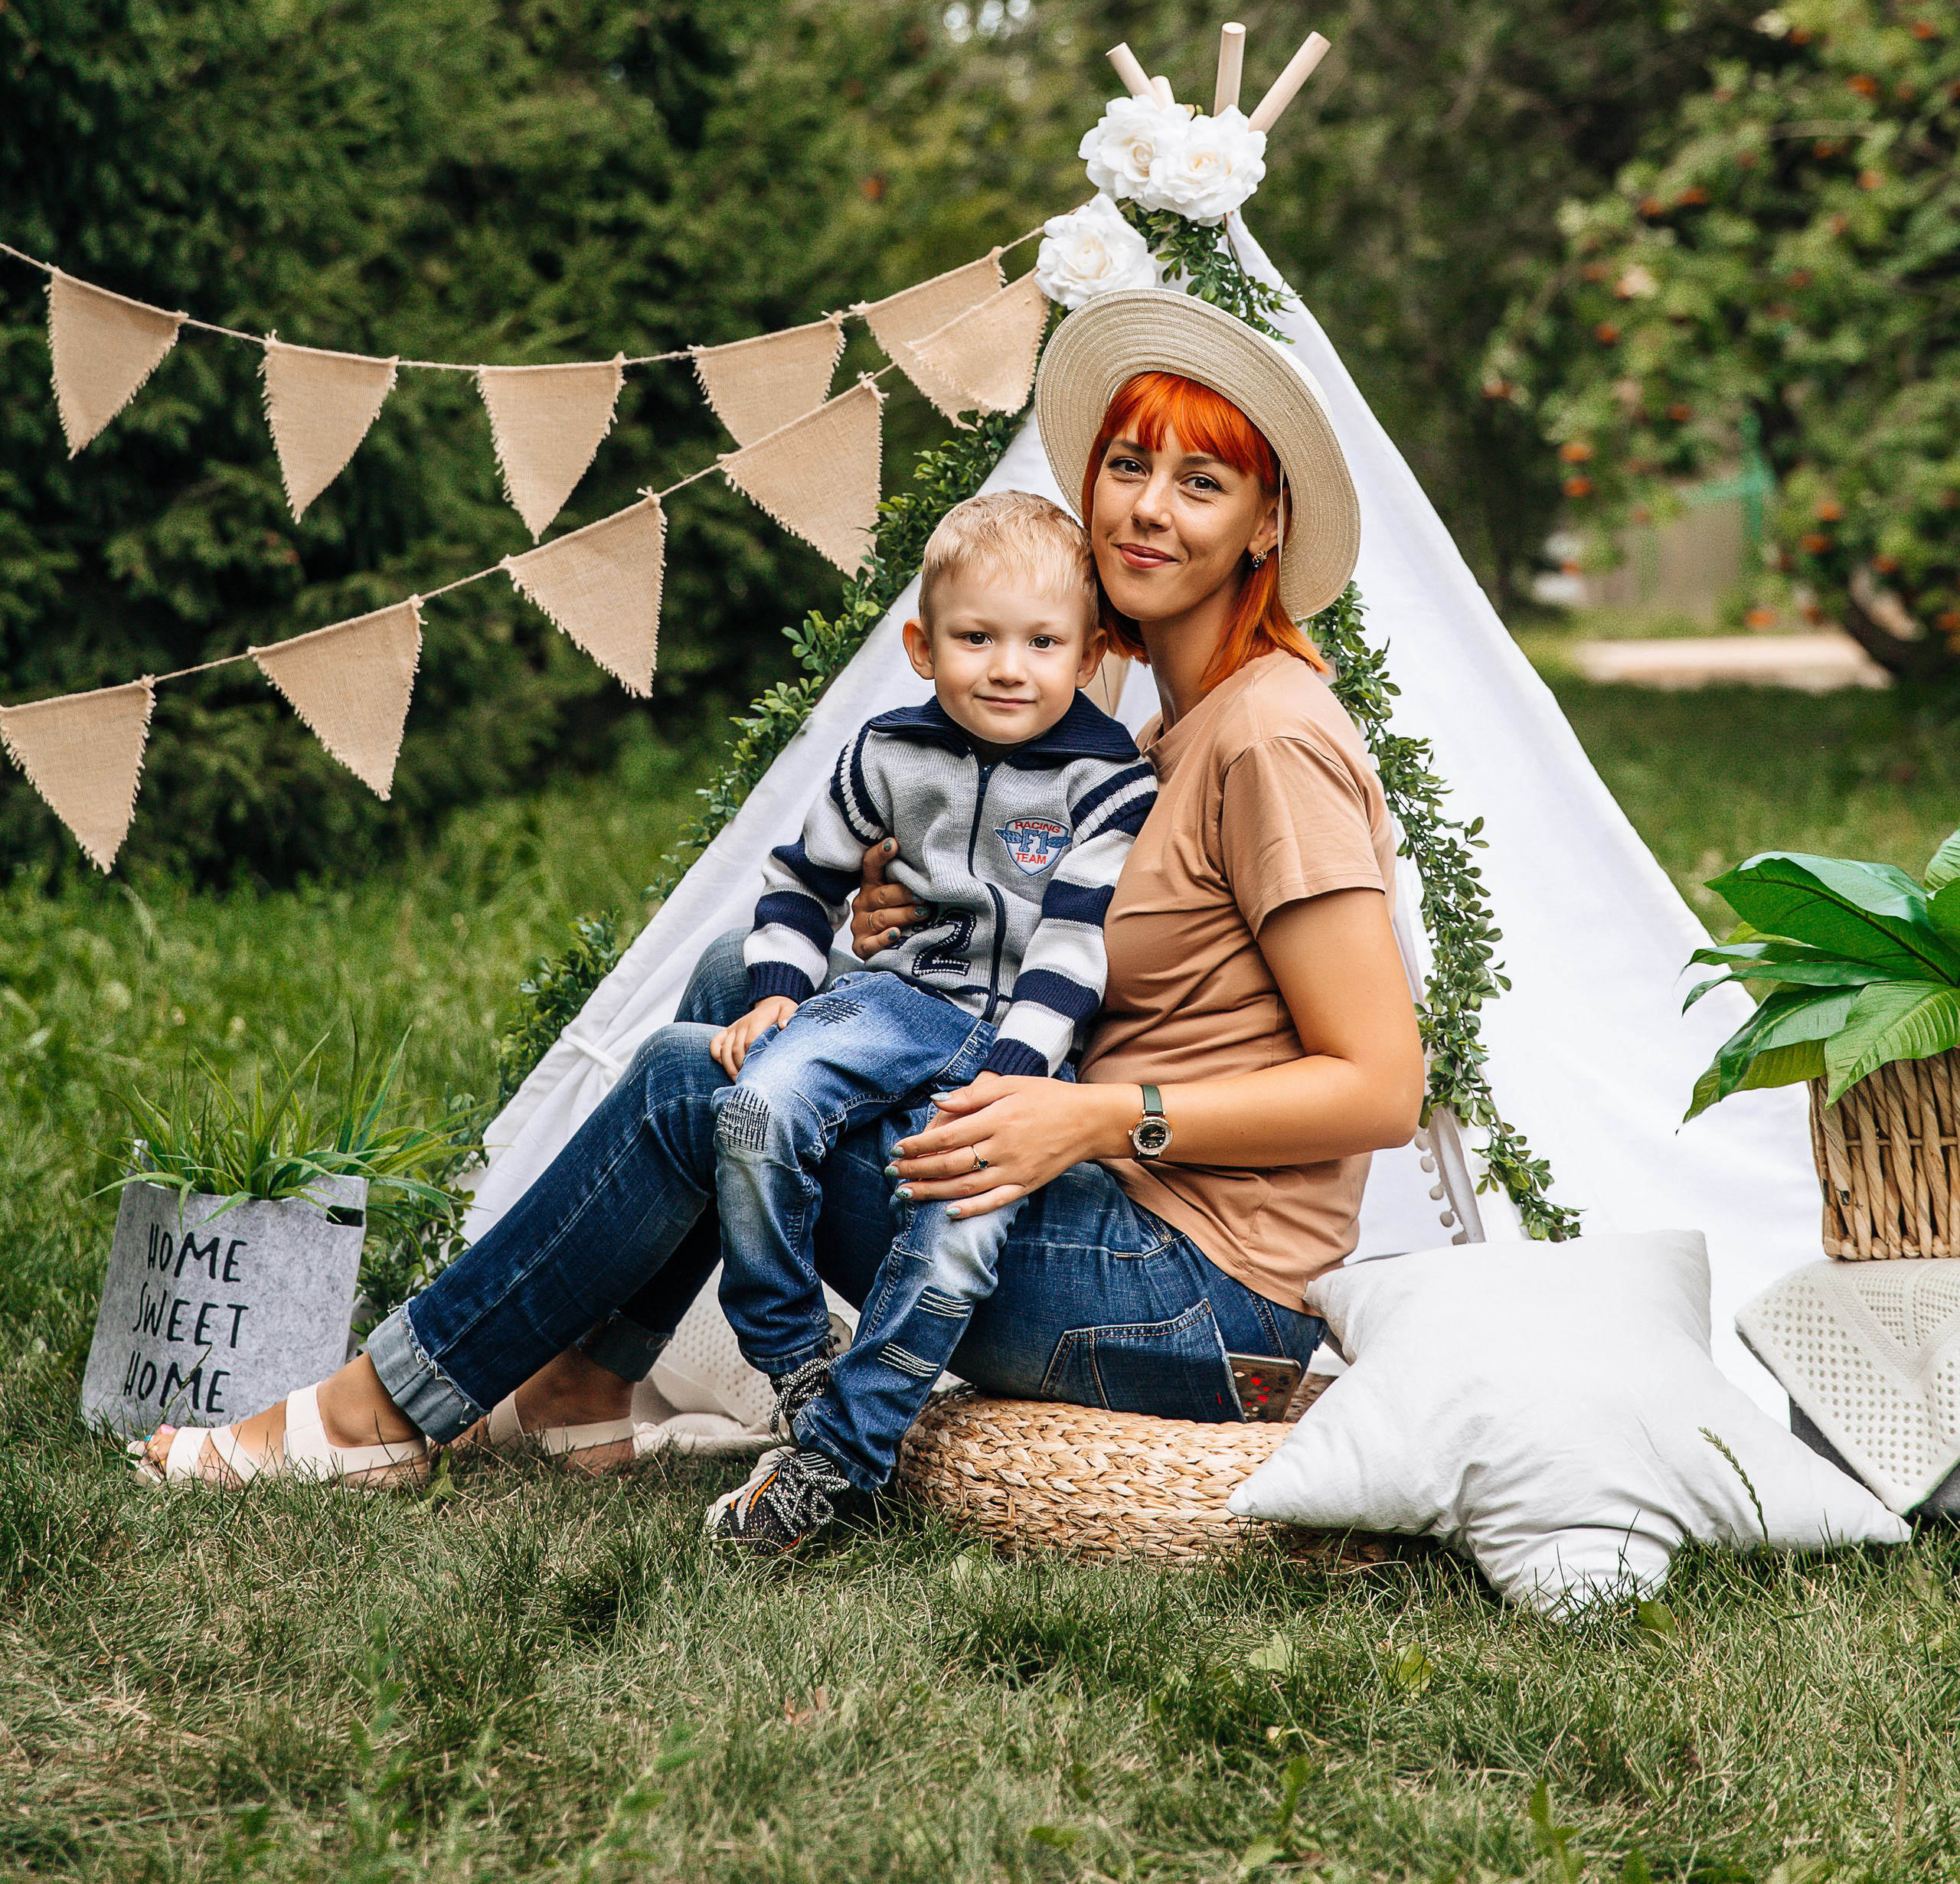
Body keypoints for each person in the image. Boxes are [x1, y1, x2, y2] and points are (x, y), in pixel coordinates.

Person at [139, 284, 1425, 1546]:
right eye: (1130, 463)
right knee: (736, 984)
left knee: (685, 1086)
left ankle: (380, 1411)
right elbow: (1092, 967)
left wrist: (1095, 1115)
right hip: (1110, 1215)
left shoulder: (1270, 737)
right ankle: (585, 1389)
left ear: (1267, 525)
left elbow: (1380, 1087)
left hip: (1193, 1300)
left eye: (1203, 483)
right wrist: (903, 932)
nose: (1149, 507)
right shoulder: (1155, 730)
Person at [702, 488, 1155, 1546]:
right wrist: (780, 986)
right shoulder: (886, 752)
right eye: (976, 638)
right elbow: (799, 876)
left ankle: (843, 1462)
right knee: (753, 1107)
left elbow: (1072, 947)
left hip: (1024, 1050)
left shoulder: (1107, 782)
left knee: (958, 1223)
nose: (1009, 667)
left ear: (1090, 655)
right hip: (896, 1001)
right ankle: (798, 1363)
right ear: (921, 644)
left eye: (1043, 642)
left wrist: (1006, 1081)